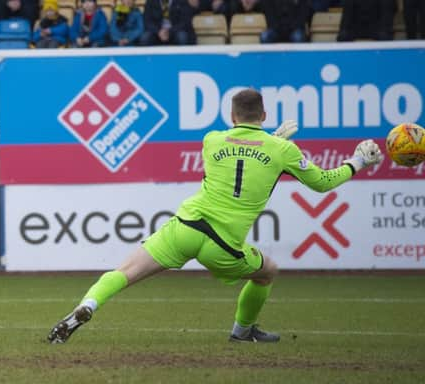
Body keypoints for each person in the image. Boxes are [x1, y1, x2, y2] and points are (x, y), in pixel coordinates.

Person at [48, 88, 382, 344]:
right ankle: (242, 331)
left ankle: (88, 305)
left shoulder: (212, 139)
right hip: (222, 244)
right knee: (267, 271)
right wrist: (358, 162)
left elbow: (237, 155)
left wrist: (267, 142)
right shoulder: (283, 150)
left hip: (185, 226)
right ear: (264, 114)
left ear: (232, 115)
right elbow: (322, 183)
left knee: (124, 271)